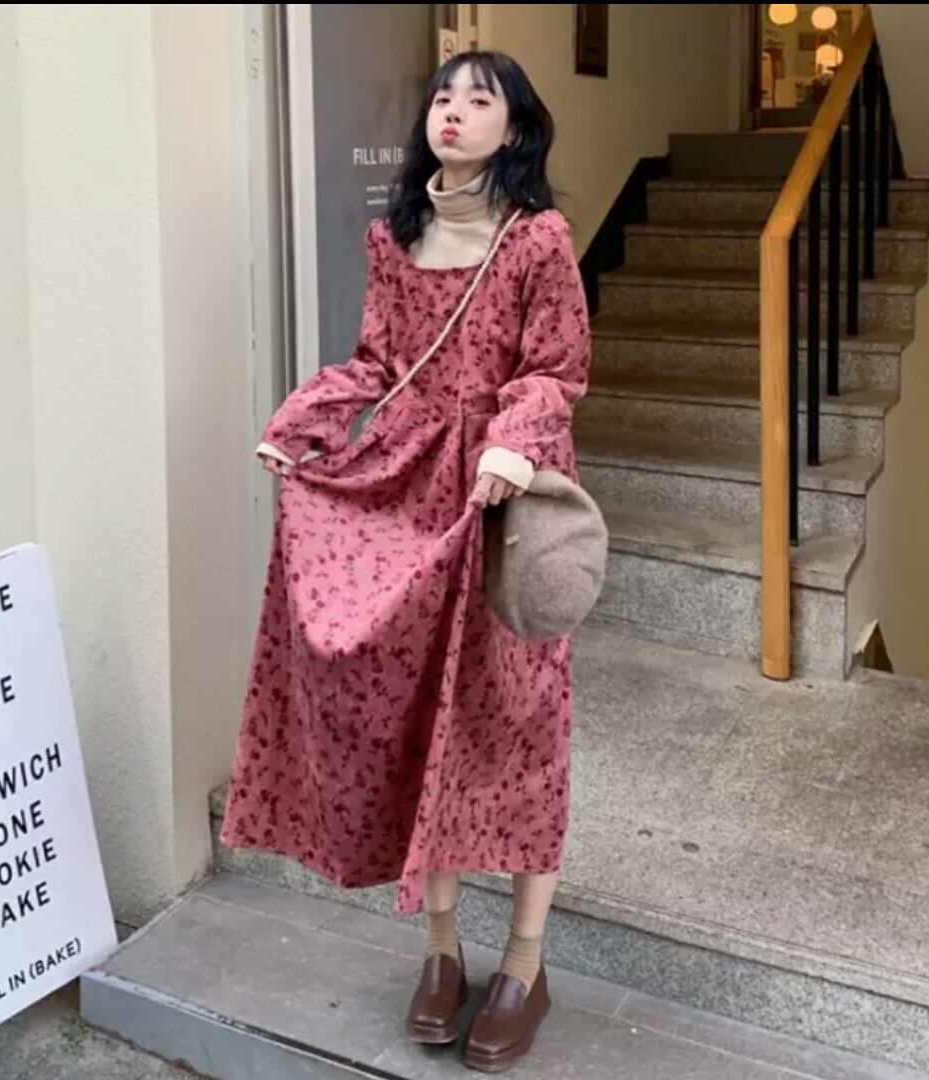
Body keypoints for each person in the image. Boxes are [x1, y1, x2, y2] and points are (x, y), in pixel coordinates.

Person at [221, 50, 590, 1072]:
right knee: (417, 714)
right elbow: (381, 364)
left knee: (516, 722)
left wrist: (513, 441)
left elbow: (557, 368)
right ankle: (439, 949)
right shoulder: (397, 235)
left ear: (516, 128)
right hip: (414, 481)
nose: (454, 112)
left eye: (480, 99)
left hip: (505, 499)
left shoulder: (538, 239)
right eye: (443, 96)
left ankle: (525, 964)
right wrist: (304, 423)